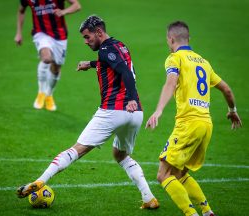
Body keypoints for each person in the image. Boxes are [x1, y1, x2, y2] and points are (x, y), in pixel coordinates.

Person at [16, 15, 159, 209]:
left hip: (113, 110)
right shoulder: (119, 46)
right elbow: (115, 63)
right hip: (135, 114)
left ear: (98, 32)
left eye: (87, 37)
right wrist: (90, 64)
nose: (85, 41)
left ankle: (40, 180)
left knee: (76, 150)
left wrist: (131, 97)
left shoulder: (106, 49)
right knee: (121, 155)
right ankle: (149, 198)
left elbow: (124, 71)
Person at [146, 21, 242, 216]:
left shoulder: (175, 58)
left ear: (171, 39)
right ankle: (207, 211)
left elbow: (171, 83)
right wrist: (232, 110)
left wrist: (158, 110)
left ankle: (192, 214)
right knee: (180, 174)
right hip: (206, 125)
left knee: (163, 175)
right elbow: (227, 89)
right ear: (188, 39)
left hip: (188, 124)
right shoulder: (204, 62)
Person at [15, 0, 81, 111]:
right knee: (46, 58)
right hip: (40, 33)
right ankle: (41, 92)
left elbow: (77, 5)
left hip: (60, 35)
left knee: (56, 68)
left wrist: (64, 11)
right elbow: (21, 11)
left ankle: (49, 94)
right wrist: (18, 33)